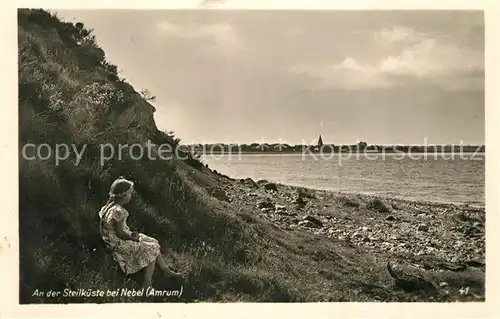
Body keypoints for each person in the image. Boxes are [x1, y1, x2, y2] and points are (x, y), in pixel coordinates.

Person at [98, 176, 182, 289]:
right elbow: (120, 233)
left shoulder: (108, 207)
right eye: (129, 194)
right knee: (150, 248)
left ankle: (165, 270)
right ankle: (147, 283)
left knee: (152, 241)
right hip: (117, 243)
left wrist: (132, 235)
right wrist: (133, 238)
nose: (130, 196)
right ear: (123, 196)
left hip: (111, 239)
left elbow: (116, 230)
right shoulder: (119, 211)